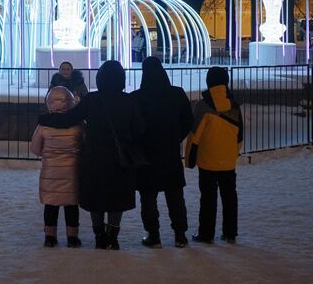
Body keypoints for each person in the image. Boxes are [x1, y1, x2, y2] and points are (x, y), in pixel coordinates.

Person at [38, 60, 145, 250]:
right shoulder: (129, 100)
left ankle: (99, 237)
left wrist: (45, 119)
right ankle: (113, 236)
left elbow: (70, 118)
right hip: (120, 159)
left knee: (97, 197)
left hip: (95, 156)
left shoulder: (92, 99)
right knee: (116, 198)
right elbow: (138, 130)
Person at [131, 57, 194, 248]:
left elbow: (132, 126)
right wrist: (176, 137)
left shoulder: (137, 97)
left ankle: (153, 235)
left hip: (146, 155)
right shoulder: (176, 94)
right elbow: (188, 121)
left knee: (148, 198)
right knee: (175, 196)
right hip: (170, 153)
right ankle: (180, 235)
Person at [187, 66, 243, 244]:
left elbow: (194, 136)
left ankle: (206, 234)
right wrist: (233, 155)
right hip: (228, 162)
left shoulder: (203, 106)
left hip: (207, 161)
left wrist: (189, 160)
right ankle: (230, 233)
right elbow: (239, 136)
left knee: (208, 200)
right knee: (229, 198)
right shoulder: (234, 106)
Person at [30, 86, 84, 248]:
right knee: (71, 205)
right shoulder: (79, 124)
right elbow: (85, 144)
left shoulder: (43, 125)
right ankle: (73, 238)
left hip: (50, 171)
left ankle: (50, 237)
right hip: (72, 171)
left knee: (51, 204)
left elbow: (35, 149)